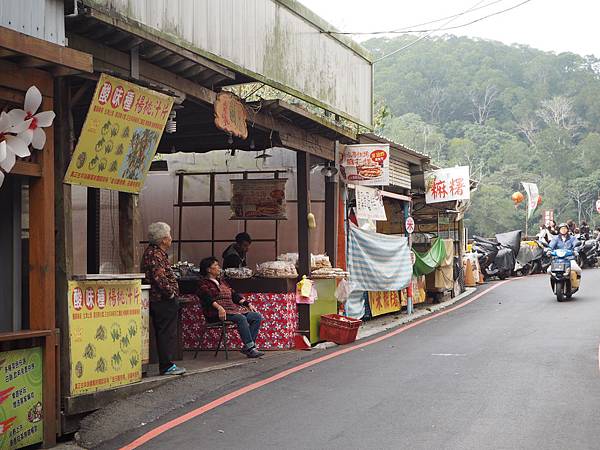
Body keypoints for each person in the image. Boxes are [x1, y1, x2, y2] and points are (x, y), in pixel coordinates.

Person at [141, 222, 186, 376]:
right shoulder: (155, 254)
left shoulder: (155, 252)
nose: (171, 239)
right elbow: (159, 278)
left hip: (159, 299)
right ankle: (166, 366)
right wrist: (171, 293)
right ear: (163, 239)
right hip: (161, 300)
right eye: (169, 236)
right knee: (166, 333)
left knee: (164, 332)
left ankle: (166, 364)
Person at [197, 257, 264, 358]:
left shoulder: (222, 281)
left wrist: (247, 304)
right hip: (216, 313)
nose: (219, 268)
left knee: (256, 316)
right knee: (240, 318)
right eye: (216, 265)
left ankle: (248, 347)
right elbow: (207, 298)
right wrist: (219, 308)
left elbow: (234, 295)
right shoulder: (203, 283)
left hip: (231, 311)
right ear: (208, 269)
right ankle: (250, 348)